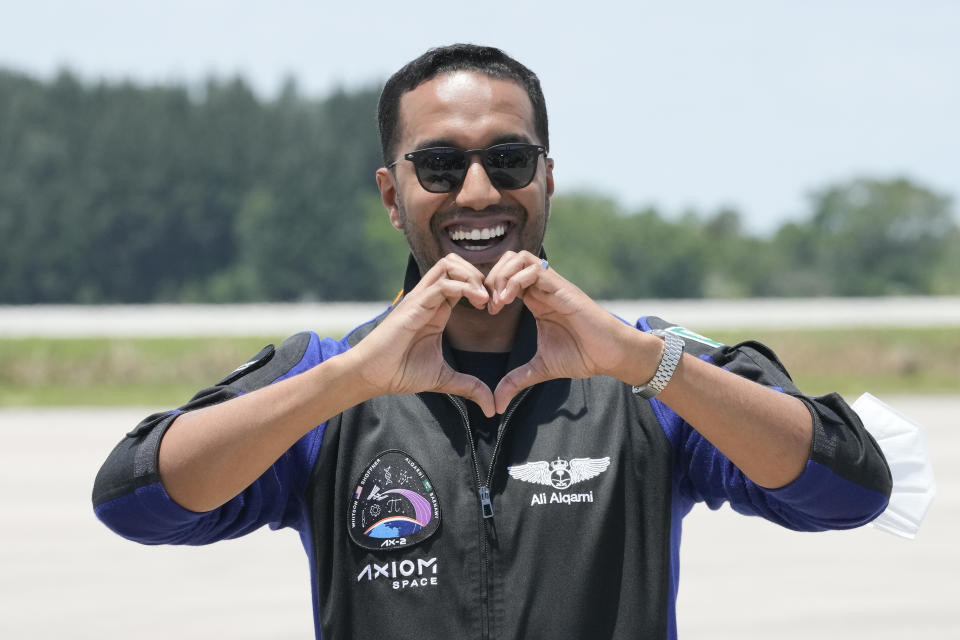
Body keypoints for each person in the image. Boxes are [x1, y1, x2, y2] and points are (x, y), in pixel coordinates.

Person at [93, 44, 892, 640]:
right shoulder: (324, 379)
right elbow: (138, 502)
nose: (478, 192)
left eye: (508, 160)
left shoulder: (651, 371)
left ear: (547, 178)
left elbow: (850, 490)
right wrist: (350, 381)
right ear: (390, 194)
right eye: (438, 165)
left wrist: (640, 364)